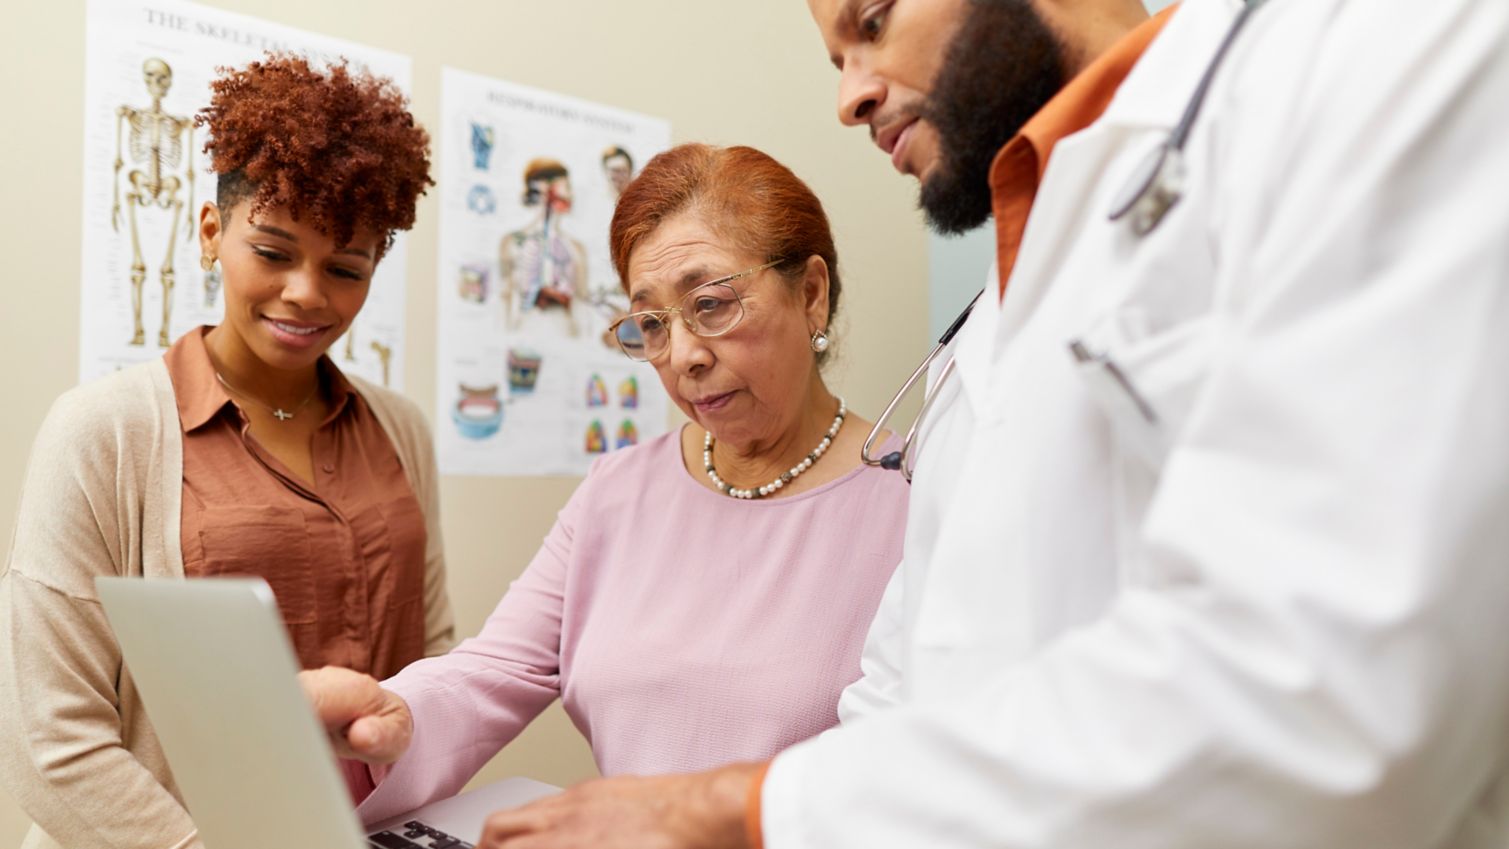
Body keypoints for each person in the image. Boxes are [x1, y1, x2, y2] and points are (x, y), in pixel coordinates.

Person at [433, 0, 1509, 847]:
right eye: (648, 326)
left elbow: (1334, 702)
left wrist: (736, 812)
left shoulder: (1373, 62)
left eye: (874, 18)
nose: (851, 99)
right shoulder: (977, 341)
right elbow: (910, 685)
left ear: (810, 296)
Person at [301, 143, 911, 826]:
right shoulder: (618, 491)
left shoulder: (916, 497)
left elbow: (927, 779)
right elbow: (491, 671)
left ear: (811, 294)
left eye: (711, 304)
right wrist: (396, 714)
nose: (683, 356)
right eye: (650, 324)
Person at [0, 54, 451, 849]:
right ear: (212, 233)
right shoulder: (101, 432)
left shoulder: (400, 429)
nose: (307, 292)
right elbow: (49, 739)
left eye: (345, 267)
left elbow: (435, 649)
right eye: (274, 253)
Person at [499, 158, 590, 336]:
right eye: (567, 187)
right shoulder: (512, 243)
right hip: (524, 333)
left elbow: (582, 303)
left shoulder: (576, 249)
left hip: (567, 337)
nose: (571, 195)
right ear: (548, 190)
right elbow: (506, 298)